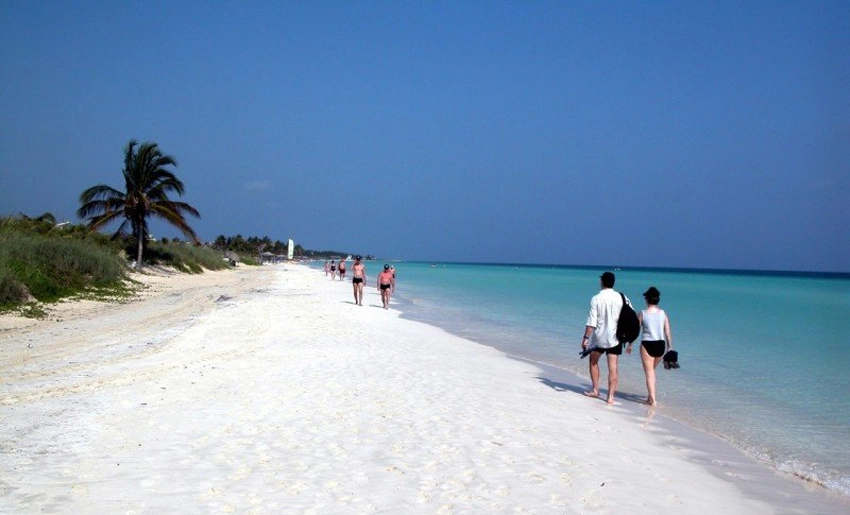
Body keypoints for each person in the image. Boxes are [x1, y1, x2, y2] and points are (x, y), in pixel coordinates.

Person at [580, 271, 632, 405]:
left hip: (599, 339)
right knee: (613, 367)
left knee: (593, 361)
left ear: (602, 282)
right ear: (613, 283)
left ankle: (596, 390)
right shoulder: (622, 297)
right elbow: (631, 316)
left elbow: (592, 322)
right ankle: (610, 397)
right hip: (616, 338)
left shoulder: (596, 298)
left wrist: (585, 338)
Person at [626, 286, 673, 406]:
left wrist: (630, 344)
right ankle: (649, 398)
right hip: (661, 345)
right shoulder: (663, 313)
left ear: (647, 299)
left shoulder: (642, 313)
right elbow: (667, 331)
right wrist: (670, 347)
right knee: (651, 372)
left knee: (649, 373)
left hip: (647, 344)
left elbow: (635, 331)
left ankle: (653, 400)